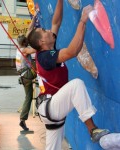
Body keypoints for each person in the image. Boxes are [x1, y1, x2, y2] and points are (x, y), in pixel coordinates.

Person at [27, 0, 109, 149]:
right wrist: (82, 22)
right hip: (50, 107)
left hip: (51, 110)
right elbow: (72, 51)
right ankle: (92, 129)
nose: (47, 31)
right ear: (42, 41)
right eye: (44, 32)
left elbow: (56, 22)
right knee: (76, 84)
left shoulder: (48, 48)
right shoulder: (45, 56)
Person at [16, 12, 37, 131]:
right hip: (27, 75)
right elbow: (36, 49)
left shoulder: (19, 46)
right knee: (39, 61)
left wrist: (34, 17)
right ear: (25, 43)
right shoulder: (24, 50)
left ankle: (22, 120)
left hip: (24, 76)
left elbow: (29, 29)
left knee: (28, 98)